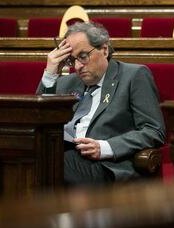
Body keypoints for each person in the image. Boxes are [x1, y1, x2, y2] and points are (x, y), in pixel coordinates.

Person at [36, 22, 166, 186]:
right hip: (63, 153)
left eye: (83, 57)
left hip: (105, 165)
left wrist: (105, 147)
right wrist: (50, 72)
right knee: (34, 159)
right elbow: (38, 120)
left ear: (104, 50)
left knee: (50, 163)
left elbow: (154, 130)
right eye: (71, 60)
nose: (77, 66)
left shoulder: (133, 76)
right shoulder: (65, 83)